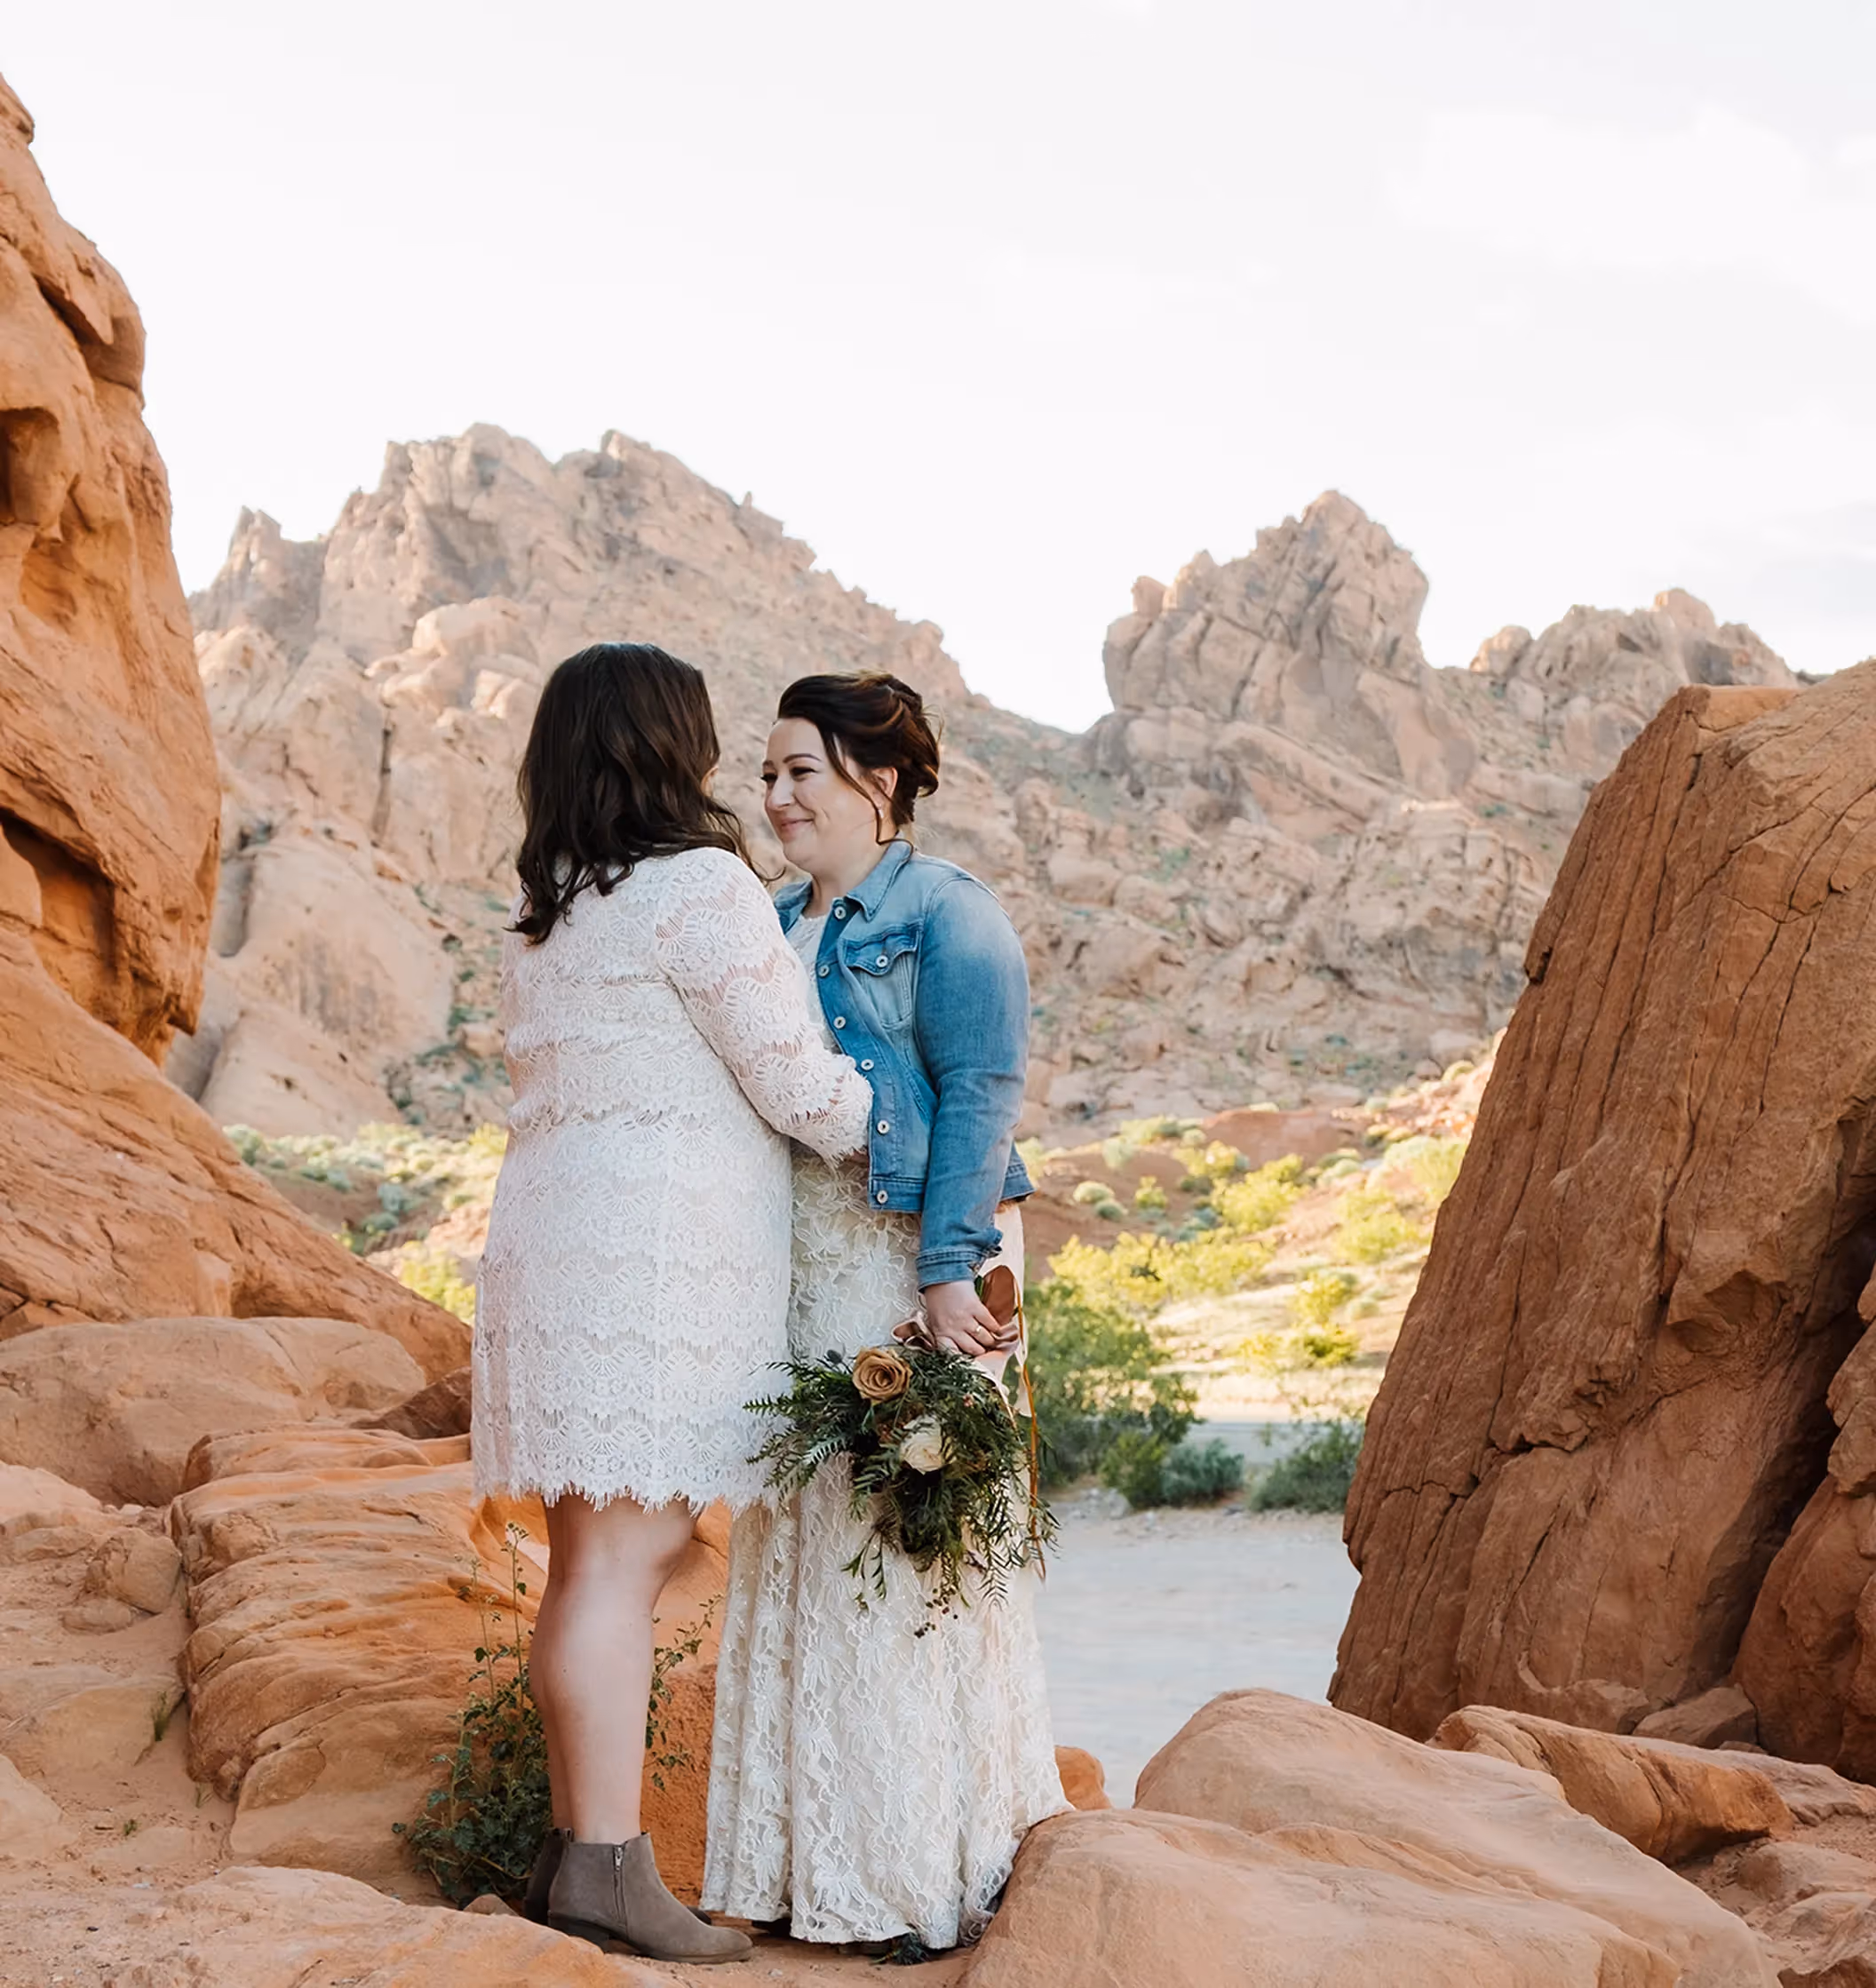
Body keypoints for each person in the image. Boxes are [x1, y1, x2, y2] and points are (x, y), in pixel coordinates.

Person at [471, 642, 872, 1964]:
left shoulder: (558, 906)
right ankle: (606, 1870)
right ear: (665, 742)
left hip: (556, 1243)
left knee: (593, 1559)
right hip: (648, 1259)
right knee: (625, 1562)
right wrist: (922, 1140)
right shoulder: (700, 888)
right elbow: (801, 1086)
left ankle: (580, 1852)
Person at [702, 671, 1069, 1952]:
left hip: (917, 1257)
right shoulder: (766, 920)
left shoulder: (947, 911)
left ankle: (926, 1871)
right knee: (813, 1546)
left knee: (910, 1544)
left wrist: (947, 1267)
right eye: (768, 773)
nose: (776, 795)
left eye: (801, 769)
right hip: (805, 1264)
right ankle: (811, 1868)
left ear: (880, 779)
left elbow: (981, 1089)